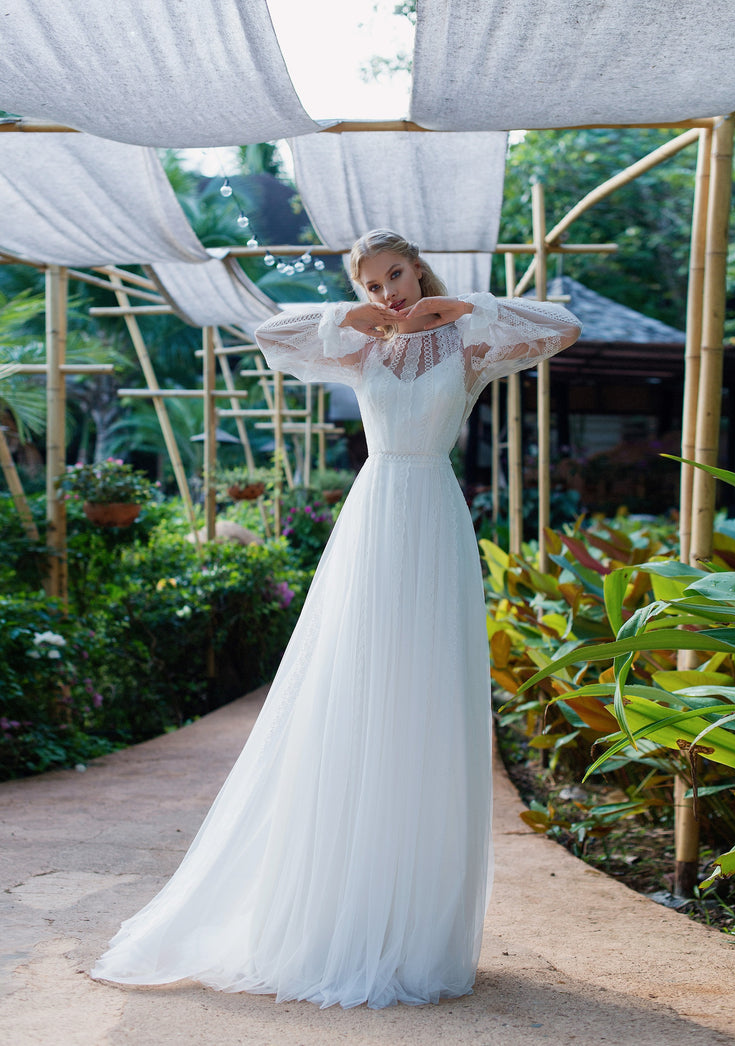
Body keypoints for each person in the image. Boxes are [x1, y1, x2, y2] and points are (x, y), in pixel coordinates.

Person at [91, 229, 582, 1009]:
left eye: (396, 275)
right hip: (374, 522)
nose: (389, 292)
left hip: (434, 521)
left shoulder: (470, 345)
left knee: (423, 707)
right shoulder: (363, 350)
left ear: (417, 266)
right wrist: (353, 319)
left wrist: (461, 307)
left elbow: (560, 327)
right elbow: (269, 332)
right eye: (373, 283)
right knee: (354, 697)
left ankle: (414, 925)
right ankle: (336, 912)